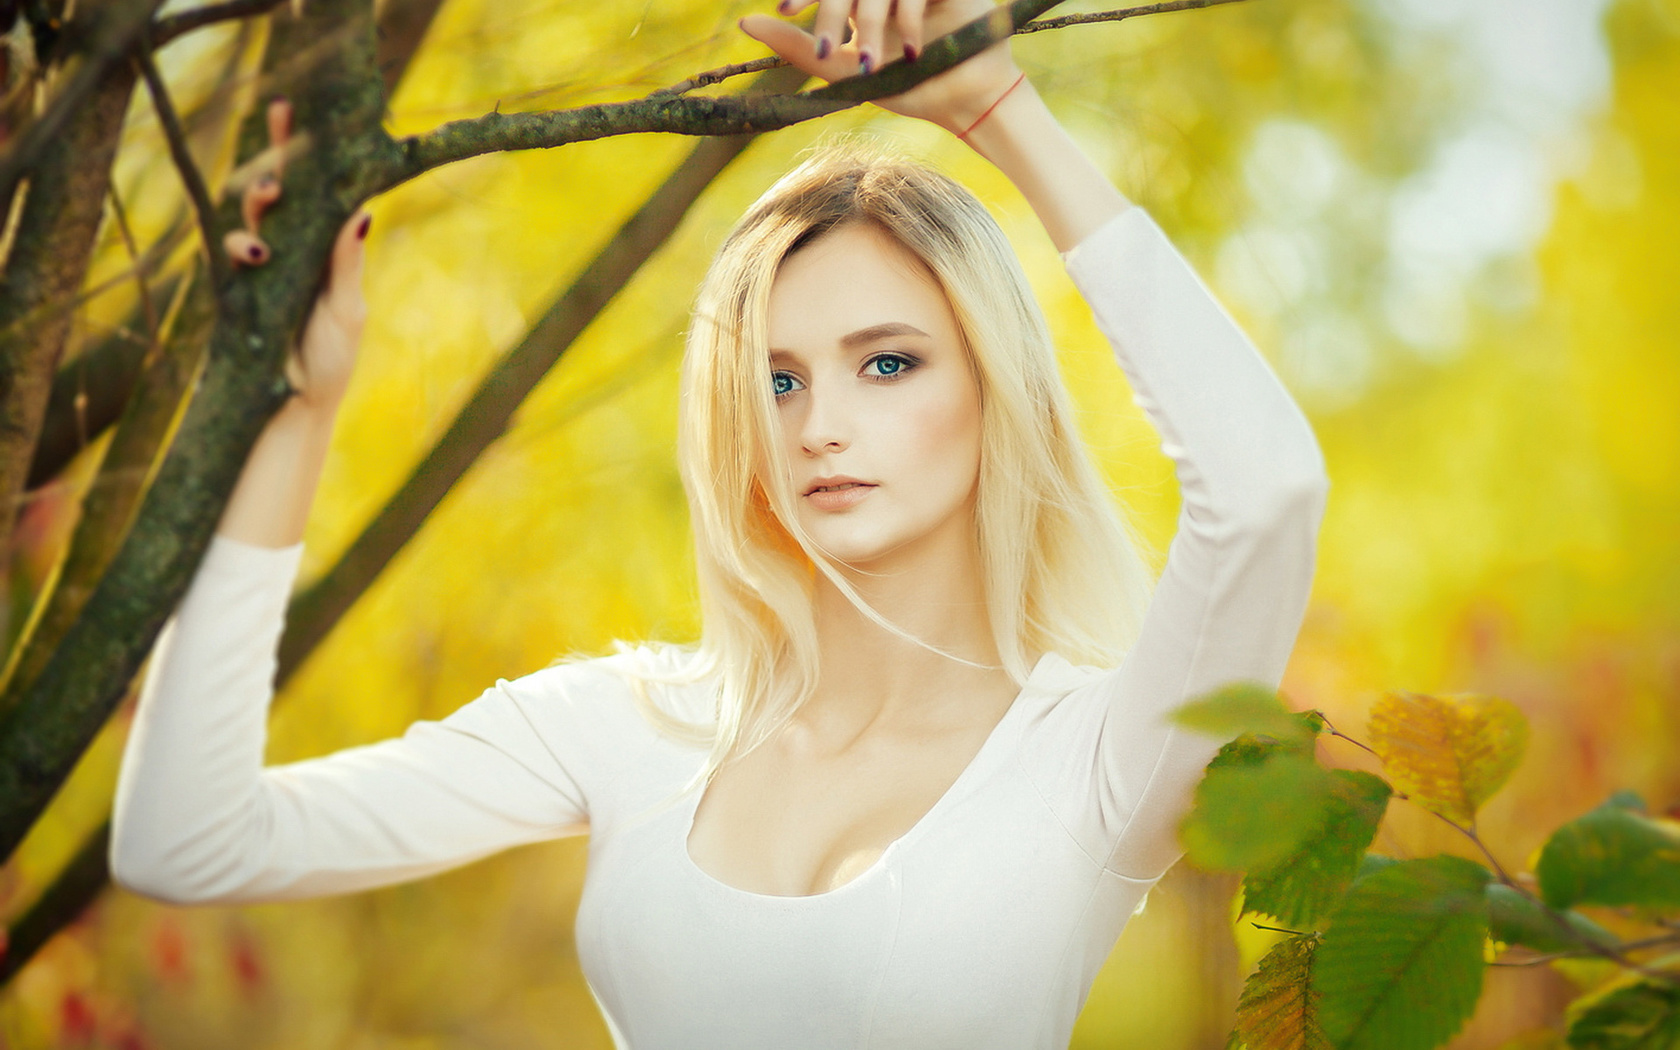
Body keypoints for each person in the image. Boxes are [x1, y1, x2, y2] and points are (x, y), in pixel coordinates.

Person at [111, 1, 1328, 1046]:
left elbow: (1265, 490)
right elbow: (187, 842)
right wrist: (293, 411)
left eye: (888, 364)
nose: (818, 427)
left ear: (992, 387)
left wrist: (999, 106)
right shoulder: (628, 726)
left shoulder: (1099, 760)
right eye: (780, 378)